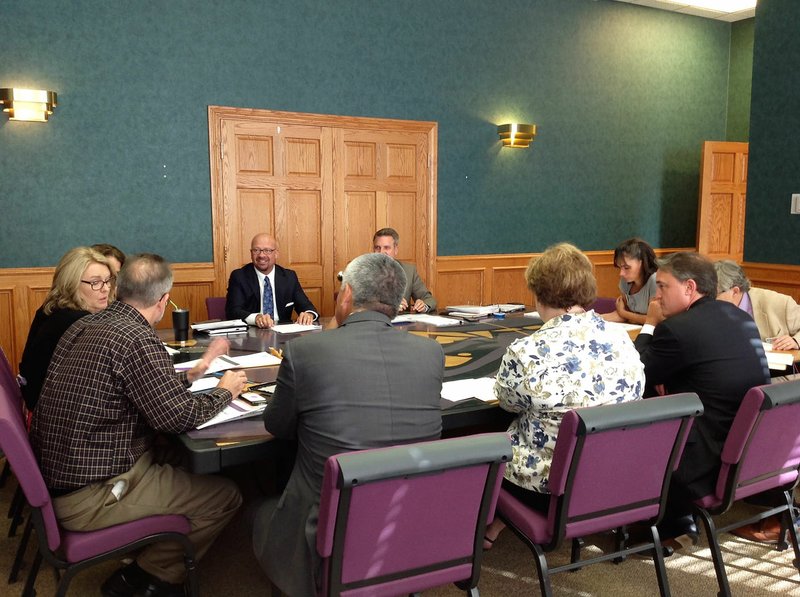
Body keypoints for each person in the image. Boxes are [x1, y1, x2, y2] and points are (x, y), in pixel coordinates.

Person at [31, 254, 248, 597]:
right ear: (163, 300)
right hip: (93, 493)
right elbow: (176, 418)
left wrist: (202, 367)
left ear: (119, 289)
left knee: (183, 459)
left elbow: (153, 391)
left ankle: (146, 555)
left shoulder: (84, 325)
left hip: (65, 472)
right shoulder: (137, 339)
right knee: (226, 496)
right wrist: (224, 391)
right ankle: (150, 577)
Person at [252, 252, 444, 596]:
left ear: (348, 294)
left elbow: (277, 426)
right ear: (398, 302)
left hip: (326, 522)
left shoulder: (305, 351)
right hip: (409, 515)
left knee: (258, 511)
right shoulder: (430, 354)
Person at [484, 243, 645, 546]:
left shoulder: (527, 351)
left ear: (539, 293)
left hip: (548, 486)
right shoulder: (623, 341)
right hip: (612, 475)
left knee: (487, 444)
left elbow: (507, 402)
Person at [635, 252, 770, 549]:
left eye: (663, 287)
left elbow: (636, 375)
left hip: (701, 461)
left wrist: (649, 325)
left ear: (689, 287)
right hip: (748, 449)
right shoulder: (739, 318)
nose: (656, 296)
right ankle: (677, 520)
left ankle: (666, 521)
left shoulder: (676, 328)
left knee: (632, 418)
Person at [19, 247, 113, 410]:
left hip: (36, 404)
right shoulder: (79, 323)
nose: (106, 288)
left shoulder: (51, 308)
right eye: (95, 282)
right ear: (71, 284)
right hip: (51, 416)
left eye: (107, 280)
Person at [225, 233, 318, 328]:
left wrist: (309, 315)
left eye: (267, 251)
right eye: (256, 250)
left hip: (283, 336)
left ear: (276, 254)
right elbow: (233, 311)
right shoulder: (239, 276)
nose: (261, 255)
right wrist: (256, 318)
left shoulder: (289, 277)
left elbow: (307, 307)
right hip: (253, 334)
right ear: (251, 253)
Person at [715, 259, 800, 350]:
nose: (709, 298)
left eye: (714, 294)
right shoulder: (705, 307)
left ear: (735, 291)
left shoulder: (780, 303)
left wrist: (795, 341)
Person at [372, 227, 436, 312]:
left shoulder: (409, 271)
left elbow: (428, 299)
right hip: (375, 323)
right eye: (377, 248)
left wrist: (424, 306)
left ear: (396, 250)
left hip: (402, 323)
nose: (381, 252)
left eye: (386, 248)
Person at [602, 237, 658, 324]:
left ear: (642, 263)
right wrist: (596, 317)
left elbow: (654, 320)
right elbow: (621, 316)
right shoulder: (625, 281)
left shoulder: (655, 280)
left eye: (626, 267)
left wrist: (624, 313)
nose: (621, 273)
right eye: (620, 267)